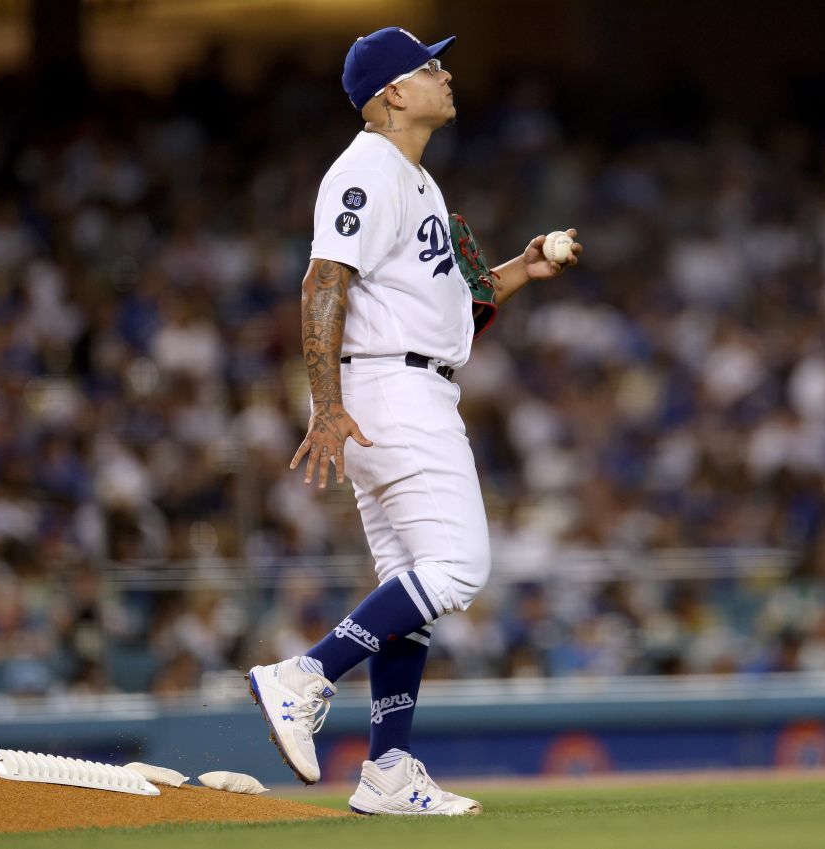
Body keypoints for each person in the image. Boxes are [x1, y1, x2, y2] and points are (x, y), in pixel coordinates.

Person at [246, 27, 580, 815]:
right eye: (430, 66)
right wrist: (326, 406)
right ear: (393, 91)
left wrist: (522, 271)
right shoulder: (366, 168)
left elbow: (449, 310)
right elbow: (323, 279)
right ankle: (305, 675)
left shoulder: (415, 180)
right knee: (459, 568)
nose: (447, 72)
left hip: (407, 380)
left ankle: (388, 768)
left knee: (412, 585)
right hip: (388, 392)